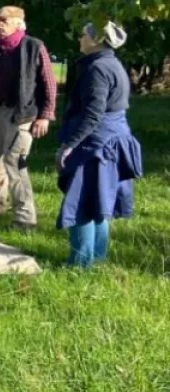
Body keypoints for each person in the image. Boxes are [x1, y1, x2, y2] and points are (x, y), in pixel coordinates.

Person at [55, 22, 143, 267]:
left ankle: (80, 262)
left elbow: (93, 114)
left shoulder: (98, 68)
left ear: (96, 40)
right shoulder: (112, 63)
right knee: (100, 201)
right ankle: (97, 259)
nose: (80, 39)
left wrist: (69, 145)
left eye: (83, 35)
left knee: (82, 201)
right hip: (110, 140)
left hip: (97, 146)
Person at [0, 6, 58, 228]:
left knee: (15, 162)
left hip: (23, 114)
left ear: (19, 24)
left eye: (5, 20)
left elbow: (49, 82)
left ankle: (25, 219)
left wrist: (45, 116)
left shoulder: (33, 46)